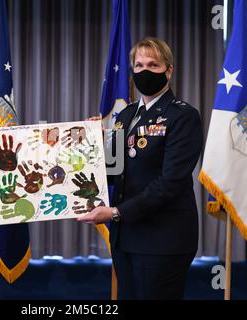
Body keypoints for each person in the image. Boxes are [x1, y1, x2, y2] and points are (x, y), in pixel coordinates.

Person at [80, 37, 203, 299]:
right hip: (126, 237)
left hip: (162, 238)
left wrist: (115, 212)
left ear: (169, 70)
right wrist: (93, 145)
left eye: (153, 65)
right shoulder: (125, 115)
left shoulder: (183, 116)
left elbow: (171, 182)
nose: (144, 71)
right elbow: (115, 172)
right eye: (139, 65)